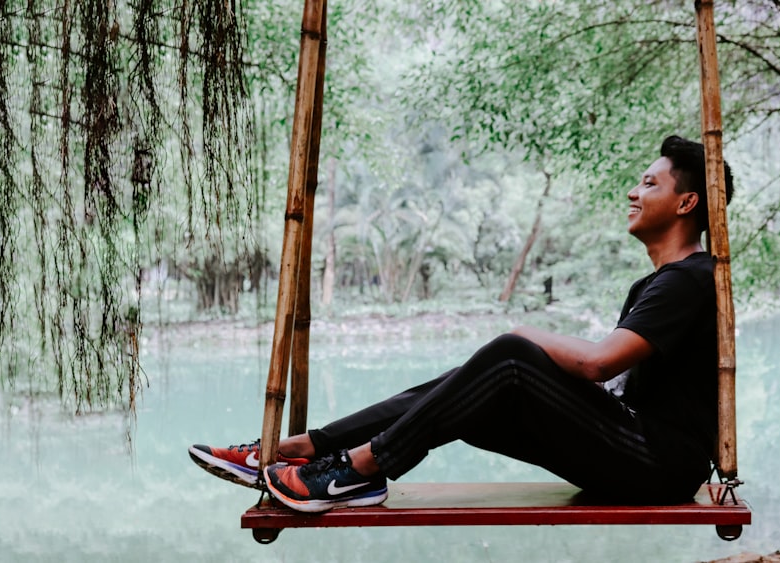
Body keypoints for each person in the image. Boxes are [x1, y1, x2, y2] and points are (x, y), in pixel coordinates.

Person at [189, 135, 734, 513]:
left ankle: (355, 470)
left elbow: (598, 364)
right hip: (636, 448)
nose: (633, 193)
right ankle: (299, 451)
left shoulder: (691, 278)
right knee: (472, 386)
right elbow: (613, 382)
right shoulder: (660, 282)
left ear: (687, 202)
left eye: (649, 184)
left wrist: (523, 335)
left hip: (659, 463)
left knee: (508, 356)